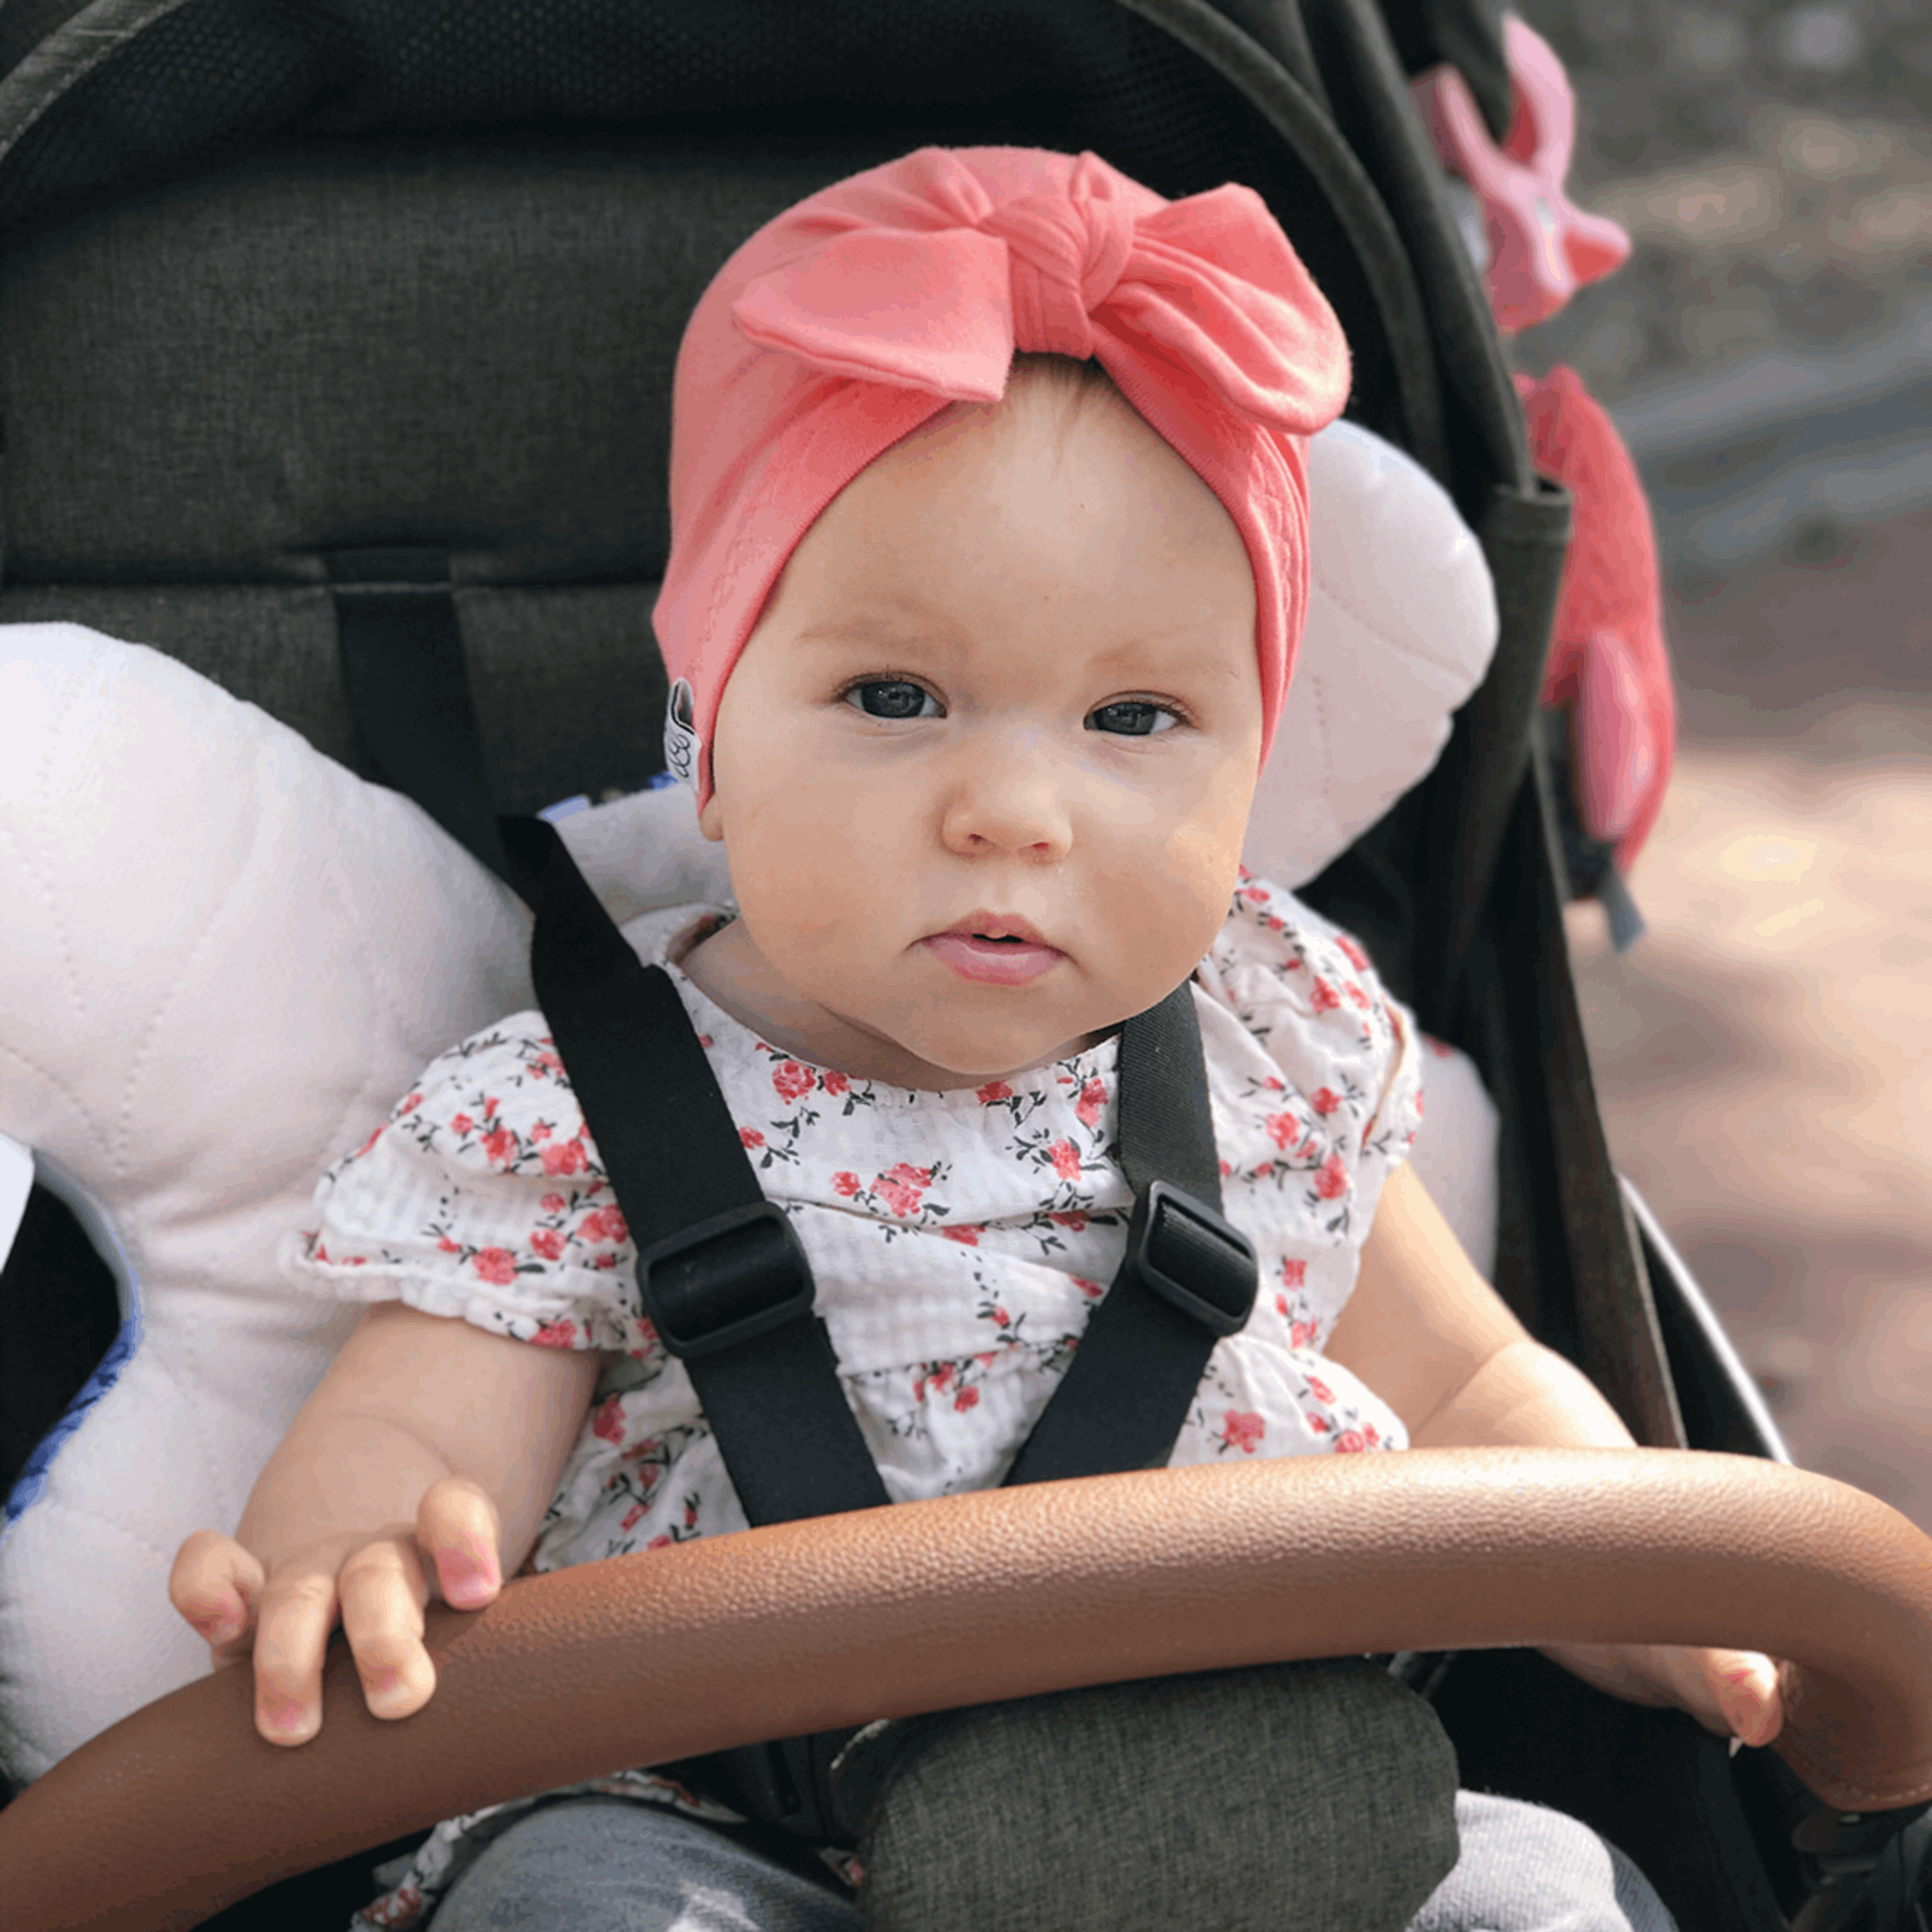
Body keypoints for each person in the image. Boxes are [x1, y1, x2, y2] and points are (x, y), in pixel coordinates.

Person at [168, 147, 1786, 1932]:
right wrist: (367, 1547)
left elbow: (1471, 1388)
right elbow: (421, 1430)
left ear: (1249, 763)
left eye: (1133, 715)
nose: (1012, 807)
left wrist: (1648, 1576)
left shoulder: (1271, 1043)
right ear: (705, 730)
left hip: (1275, 1830)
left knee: (1554, 1890)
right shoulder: (574, 1116)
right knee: (578, 1904)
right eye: (893, 697)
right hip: (744, 1844)